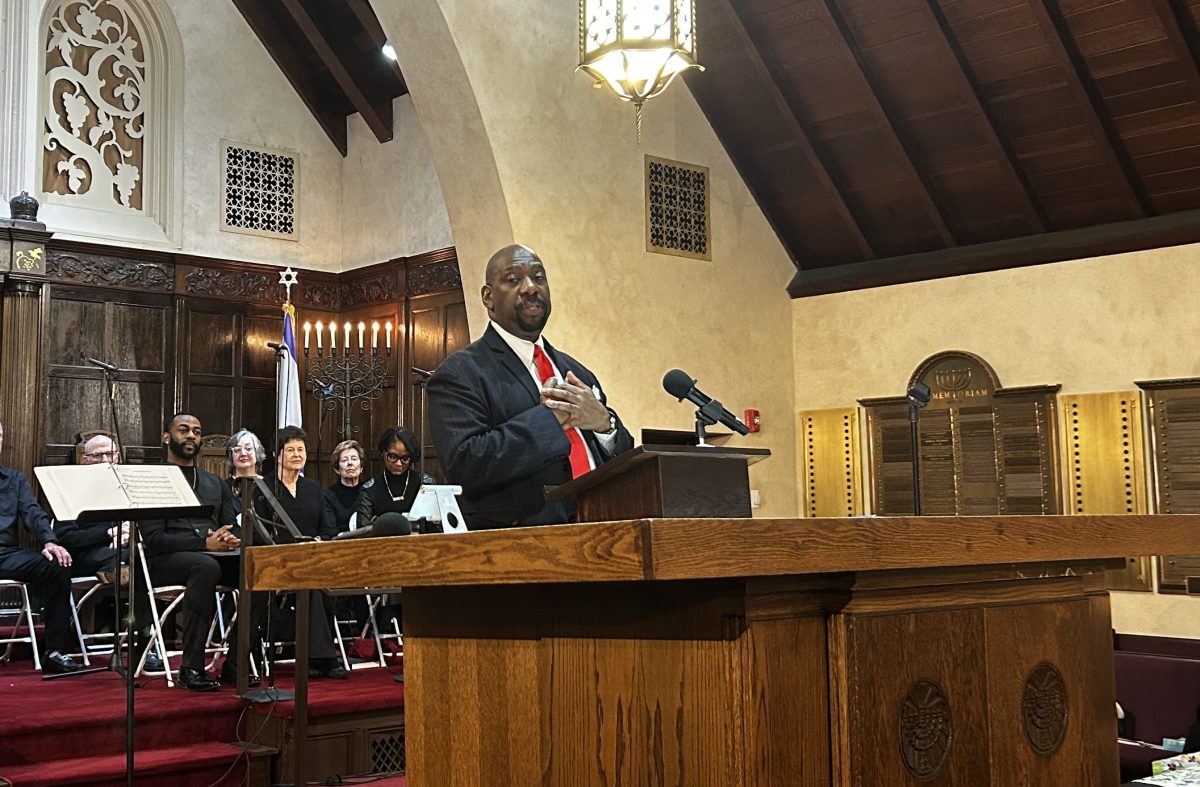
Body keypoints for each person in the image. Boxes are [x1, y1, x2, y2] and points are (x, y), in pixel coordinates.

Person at [427, 244, 633, 528]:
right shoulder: (460, 373)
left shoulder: (577, 371)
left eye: (538, 277)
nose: (530, 288)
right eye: (513, 280)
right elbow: (466, 465)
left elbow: (624, 462)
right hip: (520, 543)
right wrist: (549, 420)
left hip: (602, 528)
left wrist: (604, 425)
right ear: (488, 297)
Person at [139, 412, 253, 691]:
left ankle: (236, 663)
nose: (191, 435)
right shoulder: (151, 479)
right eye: (184, 430)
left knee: (258, 566)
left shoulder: (215, 483)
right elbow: (154, 539)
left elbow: (232, 527)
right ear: (167, 438)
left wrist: (230, 539)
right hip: (166, 560)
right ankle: (190, 668)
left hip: (212, 554)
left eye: (197, 431)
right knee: (205, 566)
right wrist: (204, 544)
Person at [256, 426, 345, 679]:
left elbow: (328, 529)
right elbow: (260, 532)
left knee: (323, 582)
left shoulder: (313, 488)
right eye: (291, 450)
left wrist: (317, 541)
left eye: (301, 450)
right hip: (280, 562)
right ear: (278, 454)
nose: (297, 455)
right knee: (313, 583)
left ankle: (317, 657)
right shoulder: (264, 489)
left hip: (313, 558)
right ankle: (324, 657)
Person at [0, 419, 82, 673]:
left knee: (57, 564)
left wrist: (49, 540)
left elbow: (33, 512)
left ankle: (55, 651)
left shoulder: (14, 480)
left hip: (5, 554)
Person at [54, 433, 129, 580]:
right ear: (85, 460)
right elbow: (66, 538)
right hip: (84, 555)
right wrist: (109, 533)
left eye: (110, 454)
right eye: (97, 456)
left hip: (124, 548)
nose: (105, 461)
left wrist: (129, 534)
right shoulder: (69, 491)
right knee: (132, 558)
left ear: (118, 457)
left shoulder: (129, 486)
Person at [356, 427, 435, 534]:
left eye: (405, 458)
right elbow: (362, 532)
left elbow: (436, 529)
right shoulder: (369, 489)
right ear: (383, 452)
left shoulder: (426, 484)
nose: (398, 463)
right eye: (392, 457)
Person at [324, 440, 365, 535]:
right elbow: (330, 530)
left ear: (361, 467)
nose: (350, 463)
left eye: (354, 459)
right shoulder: (328, 495)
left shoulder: (370, 491)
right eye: (344, 460)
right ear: (337, 468)